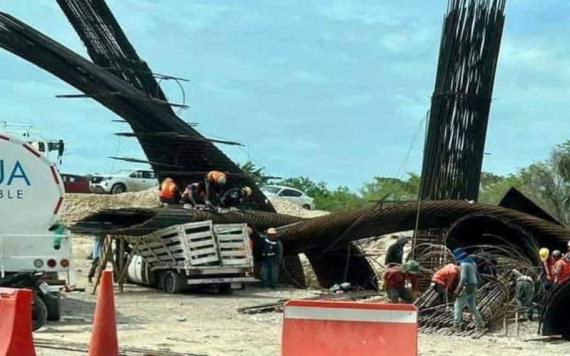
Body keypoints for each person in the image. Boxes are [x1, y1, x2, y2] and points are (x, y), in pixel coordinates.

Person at [452, 248, 485, 331]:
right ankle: (481, 324)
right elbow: (477, 275)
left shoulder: (464, 264)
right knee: (472, 306)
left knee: (458, 304)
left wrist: (457, 290)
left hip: (468, 286)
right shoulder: (473, 263)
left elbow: (464, 278)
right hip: (474, 286)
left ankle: (456, 325)